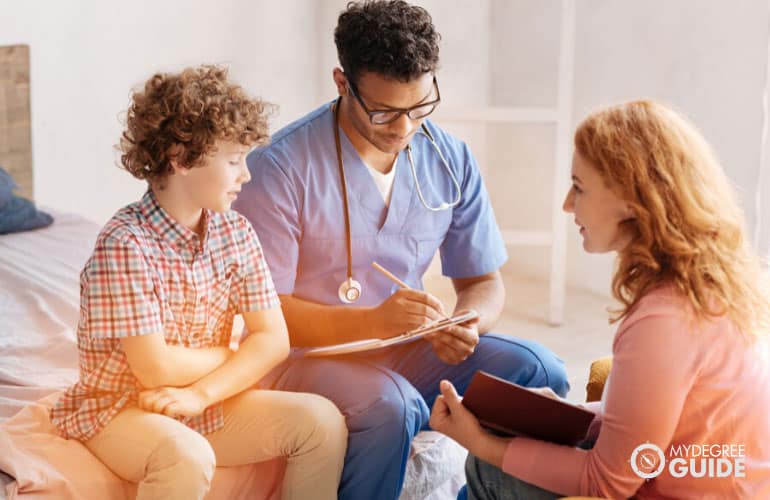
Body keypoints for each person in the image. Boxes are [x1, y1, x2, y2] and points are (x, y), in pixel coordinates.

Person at [233, 1, 569, 498]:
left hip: (409, 349)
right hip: (305, 357)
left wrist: (465, 323)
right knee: (393, 408)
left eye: (420, 107)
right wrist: (374, 323)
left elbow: (481, 281)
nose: (405, 128)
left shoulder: (448, 158)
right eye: (385, 111)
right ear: (342, 83)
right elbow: (267, 316)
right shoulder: (279, 168)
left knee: (539, 372)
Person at [430, 100, 770, 499]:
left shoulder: (663, 320)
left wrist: (480, 443)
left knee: (487, 467)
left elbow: (608, 482)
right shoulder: (706, 281)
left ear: (630, 198)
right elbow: (660, 426)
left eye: (579, 186)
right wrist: (565, 415)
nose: (567, 204)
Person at [49, 65, 347, 500]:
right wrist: (231, 353)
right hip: (118, 409)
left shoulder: (237, 232)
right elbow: (155, 369)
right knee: (186, 456)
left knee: (321, 422)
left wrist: (203, 393)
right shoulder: (124, 243)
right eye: (233, 160)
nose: (246, 174)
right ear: (182, 159)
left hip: (200, 401)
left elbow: (274, 340)